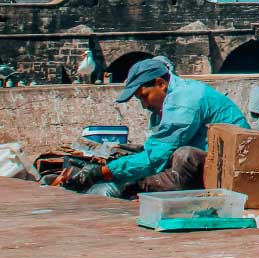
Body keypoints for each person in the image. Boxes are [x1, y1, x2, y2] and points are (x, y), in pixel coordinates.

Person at [57, 58, 248, 196]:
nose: (144, 105)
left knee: (184, 156)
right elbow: (155, 148)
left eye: (143, 96)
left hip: (234, 163)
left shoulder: (184, 102)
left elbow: (154, 158)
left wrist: (101, 172)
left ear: (160, 84)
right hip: (210, 159)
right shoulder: (170, 101)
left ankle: (135, 188)